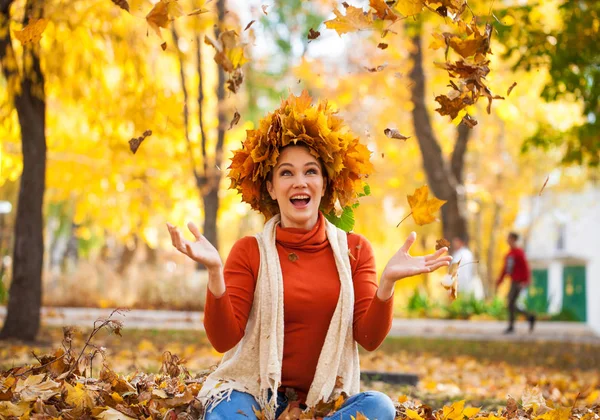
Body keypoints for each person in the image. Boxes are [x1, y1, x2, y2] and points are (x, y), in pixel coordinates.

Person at [166, 91, 451, 420]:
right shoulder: (249, 251)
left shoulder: (355, 250)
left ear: (326, 183)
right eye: (286, 173)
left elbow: (369, 339)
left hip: (324, 404)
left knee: (378, 407)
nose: (299, 182)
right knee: (226, 411)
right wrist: (215, 272)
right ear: (271, 187)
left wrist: (386, 284)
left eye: (310, 171)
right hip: (255, 397)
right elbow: (223, 339)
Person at [496, 232, 536, 334]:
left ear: (513, 239)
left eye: (509, 238)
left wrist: (526, 281)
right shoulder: (509, 254)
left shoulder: (519, 253)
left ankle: (512, 326)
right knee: (511, 303)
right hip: (513, 281)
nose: (507, 240)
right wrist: (499, 281)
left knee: (511, 302)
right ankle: (529, 317)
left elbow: (525, 267)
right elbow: (505, 269)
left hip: (519, 282)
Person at [450, 235, 483, 300]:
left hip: (465, 283)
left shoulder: (464, 254)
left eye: (456, 242)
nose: (454, 244)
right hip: (461, 283)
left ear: (460, 242)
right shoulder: (461, 253)